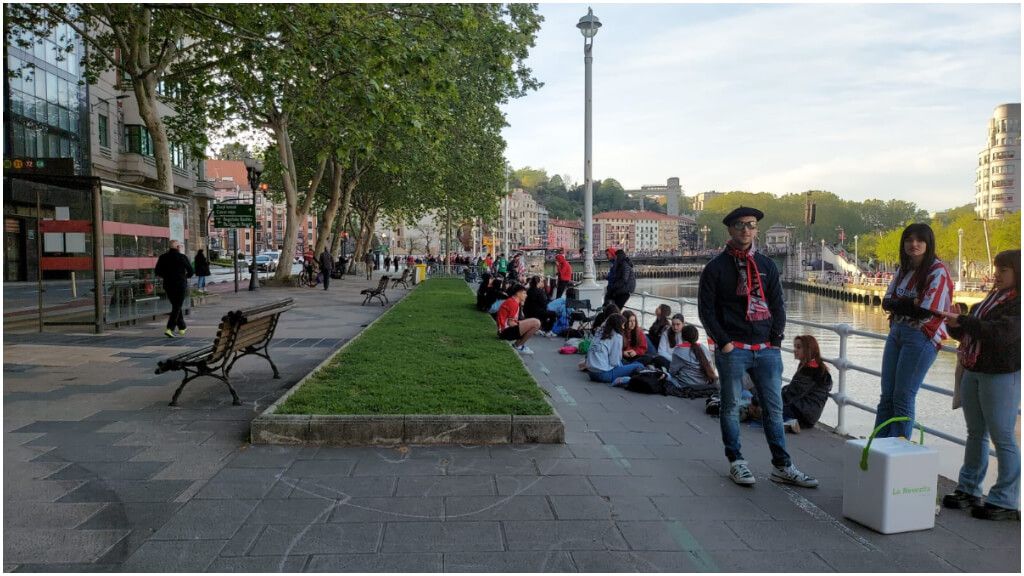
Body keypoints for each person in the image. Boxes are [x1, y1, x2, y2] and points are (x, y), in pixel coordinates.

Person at [698, 206, 817, 488]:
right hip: (734, 349)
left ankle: (782, 466)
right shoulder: (716, 268)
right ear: (730, 229)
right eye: (740, 225)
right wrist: (724, 343)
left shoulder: (766, 265)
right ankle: (736, 462)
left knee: (774, 409)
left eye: (750, 225)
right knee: (730, 407)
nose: (745, 230)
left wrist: (776, 341)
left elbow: (777, 304)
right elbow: (707, 311)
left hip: (766, 349)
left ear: (756, 230)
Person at [942, 249, 1020, 521]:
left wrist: (964, 321)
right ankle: (969, 488)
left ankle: (1005, 499)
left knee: (1003, 436)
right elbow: (971, 333)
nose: (996, 275)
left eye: (1003, 270)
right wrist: (955, 324)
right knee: (975, 432)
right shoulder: (992, 299)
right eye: (997, 269)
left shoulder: (1017, 304)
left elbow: (1001, 334)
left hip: (1000, 374)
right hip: (974, 369)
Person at [876, 223, 954, 439]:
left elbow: (925, 310)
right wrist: (911, 302)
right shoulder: (904, 269)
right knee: (887, 396)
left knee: (903, 395)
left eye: (920, 240)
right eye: (909, 240)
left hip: (921, 336)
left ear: (928, 244)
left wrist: (901, 304)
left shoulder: (937, 271)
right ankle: (878, 444)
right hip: (897, 331)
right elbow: (886, 302)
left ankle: (898, 446)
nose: (914, 244)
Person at [749, 335, 833, 433]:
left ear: (808, 349)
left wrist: (761, 401)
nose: (795, 350)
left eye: (798, 347)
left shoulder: (810, 371)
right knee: (765, 402)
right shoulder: (815, 367)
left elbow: (790, 395)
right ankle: (786, 422)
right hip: (808, 413)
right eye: (795, 347)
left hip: (802, 413)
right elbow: (793, 389)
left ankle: (785, 422)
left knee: (766, 409)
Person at [584, 313, 644, 383]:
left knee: (629, 364)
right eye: (623, 325)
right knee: (639, 365)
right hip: (603, 374)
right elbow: (614, 362)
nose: (623, 328)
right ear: (618, 325)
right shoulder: (617, 336)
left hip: (591, 373)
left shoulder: (599, 332)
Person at [154, 240, 194, 338]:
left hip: (168, 285)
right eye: (179, 246)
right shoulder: (182, 257)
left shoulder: (163, 257)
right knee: (177, 306)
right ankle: (170, 328)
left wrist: (166, 276)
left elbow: (157, 271)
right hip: (180, 284)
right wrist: (185, 276)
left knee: (176, 306)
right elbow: (191, 271)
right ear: (177, 247)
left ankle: (182, 327)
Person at [668, 324, 718, 391]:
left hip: (687, 385)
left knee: (667, 376)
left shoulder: (678, 351)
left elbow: (673, 372)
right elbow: (710, 365)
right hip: (705, 383)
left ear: (682, 336)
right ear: (696, 336)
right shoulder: (703, 347)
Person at [496, 284, 541, 355]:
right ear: (518, 293)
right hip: (505, 332)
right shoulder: (513, 303)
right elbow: (510, 323)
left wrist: (524, 325)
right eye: (524, 293)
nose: (526, 295)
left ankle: (518, 345)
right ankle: (518, 346)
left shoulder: (513, 301)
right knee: (536, 322)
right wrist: (524, 326)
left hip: (504, 331)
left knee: (532, 323)